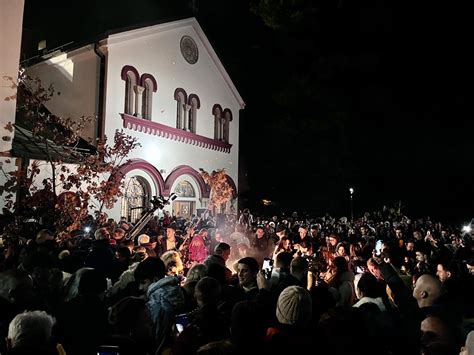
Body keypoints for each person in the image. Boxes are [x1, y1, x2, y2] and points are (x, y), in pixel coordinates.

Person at [134, 257, 185, 353]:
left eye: (143, 283)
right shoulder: (176, 291)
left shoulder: (156, 301)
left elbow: (154, 336)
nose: (140, 288)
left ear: (155, 279)